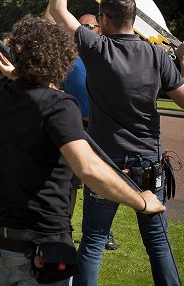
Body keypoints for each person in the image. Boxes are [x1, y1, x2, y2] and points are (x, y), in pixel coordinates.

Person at [0, 15, 164, 286]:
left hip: (0, 240)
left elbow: (28, 92)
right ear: (60, 57)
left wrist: (18, 75)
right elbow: (88, 169)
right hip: (42, 245)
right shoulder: (59, 105)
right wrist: (142, 201)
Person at [48, 0, 184, 285]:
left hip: (108, 160)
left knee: (93, 240)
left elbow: (56, 9)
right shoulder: (157, 55)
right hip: (149, 161)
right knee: (158, 243)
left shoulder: (97, 49)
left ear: (105, 20)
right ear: (134, 20)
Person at [61, 14, 118, 251]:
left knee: (99, 183)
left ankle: (103, 232)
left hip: (98, 127)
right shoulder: (68, 55)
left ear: (100, 29)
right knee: (69, 183)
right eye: (80, 25)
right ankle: (65, 230)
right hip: (73, 126)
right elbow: (49, 21)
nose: (82, 29)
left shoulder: (104, 53)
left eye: (88, 26)